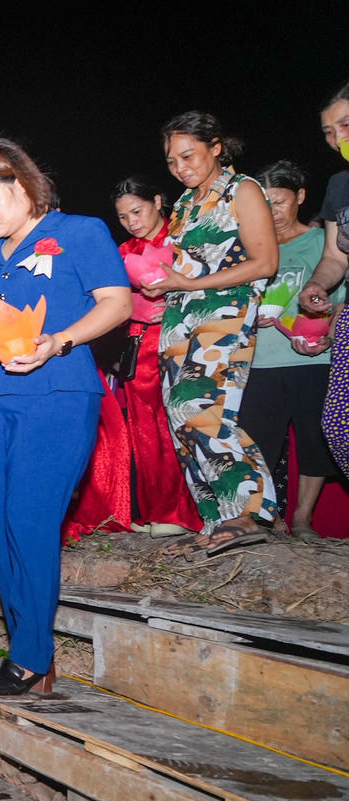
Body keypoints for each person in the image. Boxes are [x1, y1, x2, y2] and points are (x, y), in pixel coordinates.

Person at [0, 139, 131, 695]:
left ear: (22, 183)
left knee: (29, 520)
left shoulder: (80, 232)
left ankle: (31, 655)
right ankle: (26, 643)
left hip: (56, 394)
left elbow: (118, 303)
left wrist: (60, 341)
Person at [146, 112, 279, 553]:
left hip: (223, 314)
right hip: (178, 318)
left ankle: (251, 510)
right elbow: (186, 264)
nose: (180, 167)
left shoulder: (243, 190)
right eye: (171, 161)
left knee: (211, 412)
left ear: (216, 146)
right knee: (181, 417)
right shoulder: (184, 203)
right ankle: (215, 518)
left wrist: (189, 283)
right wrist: (162, 279)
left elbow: (264, 263)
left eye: (188, 155)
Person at [239, 161, 339, 539]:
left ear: (299, 197)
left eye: (278, 202)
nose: (271, 211)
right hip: (258, 360)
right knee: (257, 441)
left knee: (314, 441)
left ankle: (302, 519)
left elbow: (339, 299)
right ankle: (269, 517)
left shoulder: (320, 244)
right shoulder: (252, 244)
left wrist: (328, 333)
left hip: (312, 359)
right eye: (264, 203)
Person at [112, 177, 200, 536]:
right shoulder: (123, 251)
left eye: (137, 210)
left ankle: (183, 513)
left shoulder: (185, 239)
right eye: (122, 216)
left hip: (183, 340)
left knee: (176, 425)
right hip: (138, 345)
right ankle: (152, 510)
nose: (132, 221)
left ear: (159, 201)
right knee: (143, 431)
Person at [299, 82, 349, 474]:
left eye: (346, 125)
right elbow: (335, 255)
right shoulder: (339, 186)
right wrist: (317, 284)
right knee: (338, 424)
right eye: (329, 132)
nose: (337, 139)